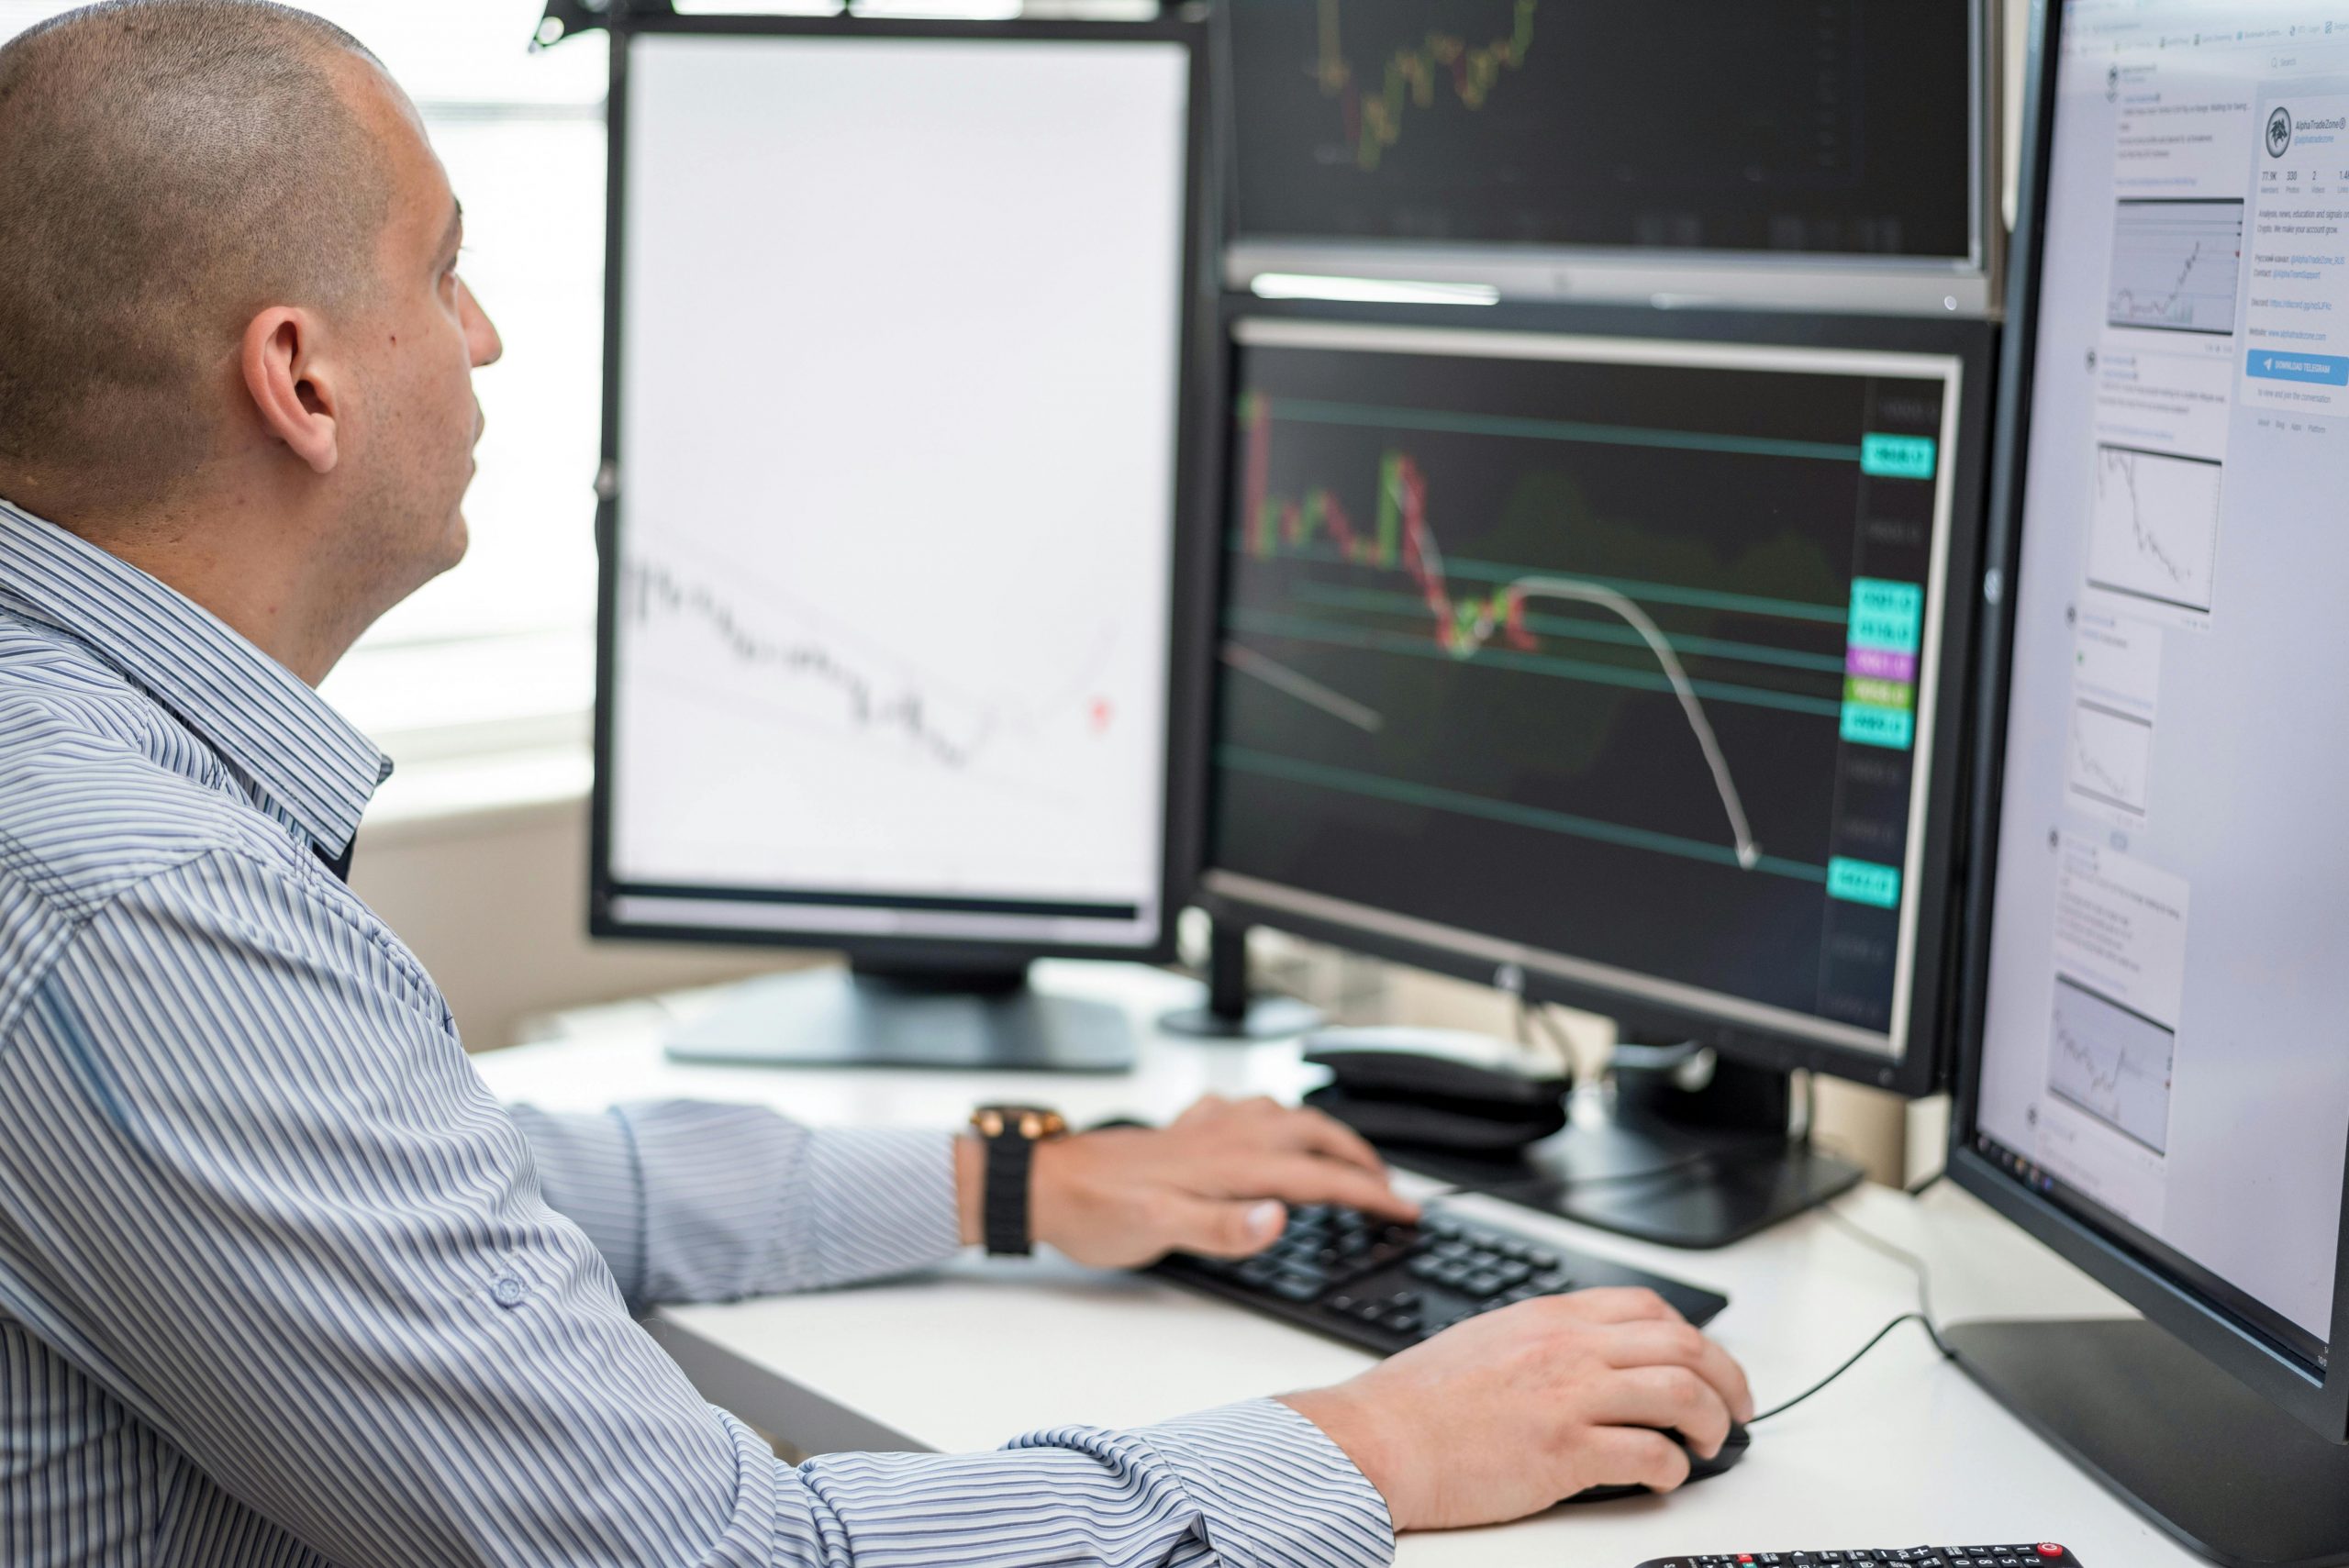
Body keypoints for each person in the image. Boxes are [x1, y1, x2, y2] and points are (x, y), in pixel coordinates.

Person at [0, 4, 1755, 1564]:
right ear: (300, 378)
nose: (483, 339)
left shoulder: (72, 779)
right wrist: (1380, 1442)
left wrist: (1020, 1183)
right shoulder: (146, 905)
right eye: (442, 272)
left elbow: (472, 1175)